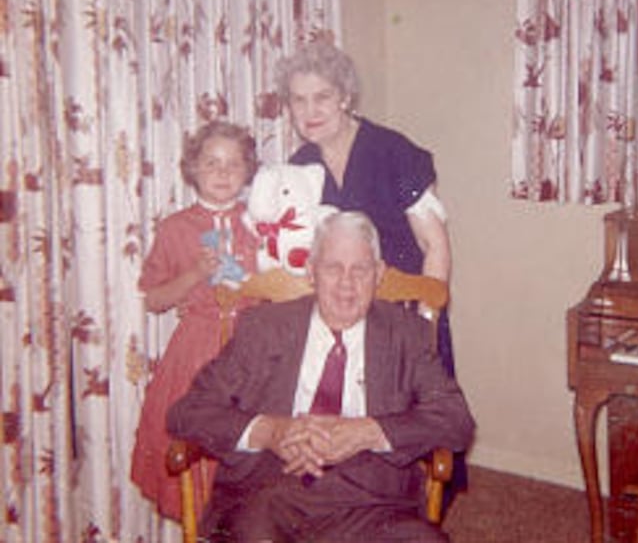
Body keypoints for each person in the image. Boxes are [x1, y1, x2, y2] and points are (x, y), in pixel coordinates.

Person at [167, 211, 475, 543]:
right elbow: (188, 412)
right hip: (270, 494)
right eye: (333, 268)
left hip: (371, 503)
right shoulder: (264, 327)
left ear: (379, 274)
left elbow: (456, 421)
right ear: (311, 271)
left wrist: (370, 432)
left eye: (360, 269)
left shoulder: (405, 334)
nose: (347, 283)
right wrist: (269, 431)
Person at [276, 40, 453, 359]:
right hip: (336, 322)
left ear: (345, 97)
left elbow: (434, 245)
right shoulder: (297, 169)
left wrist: (425, 324)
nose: (310, 111)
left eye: (322, 97)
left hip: (404, 314)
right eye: (299, 101)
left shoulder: (394, 152)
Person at [131, 119, 261, 521]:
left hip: (253, 348)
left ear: (248, 170)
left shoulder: (261, 220)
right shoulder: (175, 228)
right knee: (196, 450)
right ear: (193, 169)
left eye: (233, 164)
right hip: (196, 351)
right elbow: (153, 299)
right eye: (211, 163)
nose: (222, 173)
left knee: (252, 455)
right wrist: (193, 276)